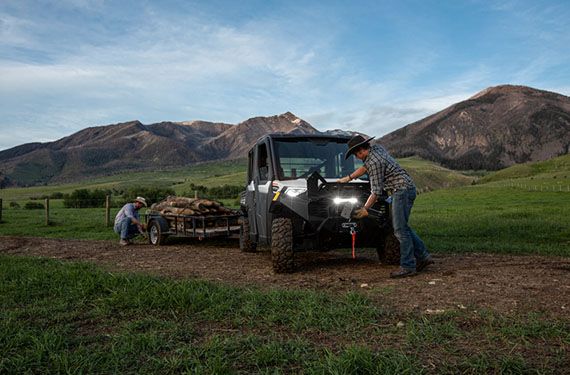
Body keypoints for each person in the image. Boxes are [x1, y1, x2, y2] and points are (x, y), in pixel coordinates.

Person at [338, 134, 433, 278]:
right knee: (402, 227)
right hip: (405, 189)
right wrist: (349, 177)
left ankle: (408, 266)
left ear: (363, 150)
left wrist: (365, 209)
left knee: (400, 230)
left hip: (401, 191)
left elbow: (375, 191)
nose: (356, 157)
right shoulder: (376, 149)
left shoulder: (375, 162)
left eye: (357, 153)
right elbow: (365, 167)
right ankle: (424, 256)